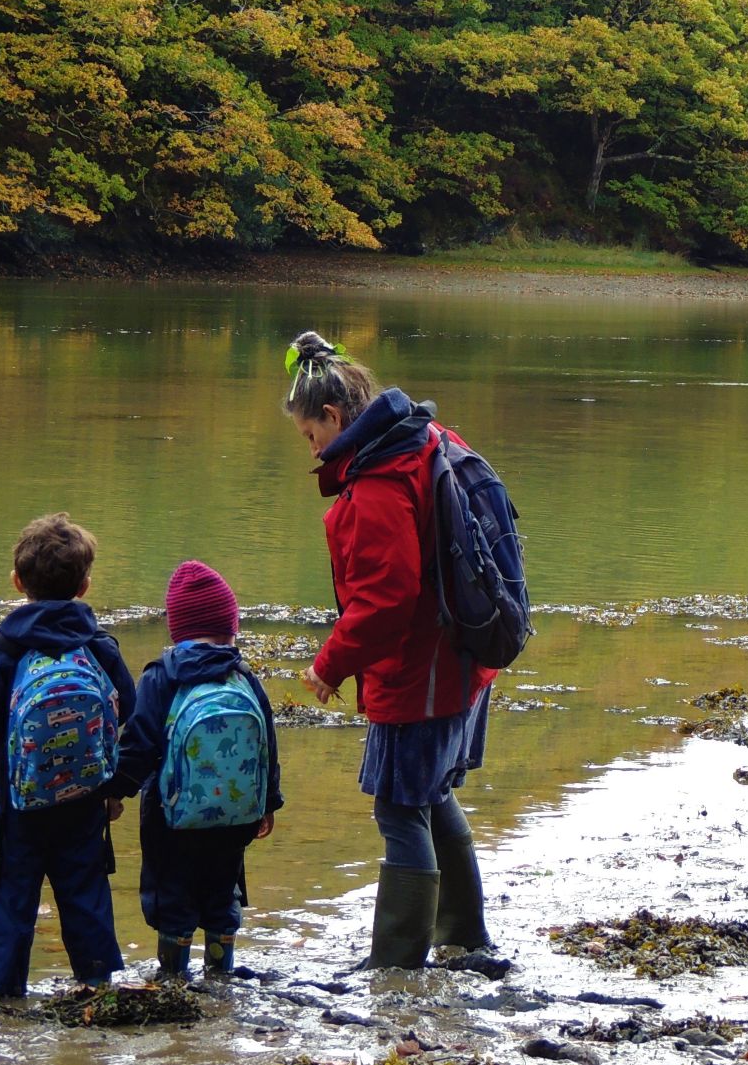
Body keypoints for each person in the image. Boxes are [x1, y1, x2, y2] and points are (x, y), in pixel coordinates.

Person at [284, 330, 496, 969]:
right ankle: (463, 936)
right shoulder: (426, 439)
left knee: (400, 805)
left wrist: (330, 664)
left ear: (333, 416)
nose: (311, 447)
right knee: (430, 793)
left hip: (419, 673)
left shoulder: (377, 480)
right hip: (465, 658)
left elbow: (386, 599)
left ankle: (399, 961)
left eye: (308, 433)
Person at [0, 513, 135, 997]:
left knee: (11, 891)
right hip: (85, 795)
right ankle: (96, 982)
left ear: (18, 582)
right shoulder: (99, 646)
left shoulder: (5, 649)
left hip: (18, 799)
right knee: (85, 888)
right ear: (85, 586)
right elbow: (129, 706)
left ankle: (1, 994)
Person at [105, 559, 282, 979]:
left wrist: (115, 791)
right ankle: (221, 976)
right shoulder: (243, 676)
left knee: (173, 898)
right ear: (230, 626)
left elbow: (140, 745)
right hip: (237, 814)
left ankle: (173, 978)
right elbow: (267, 745)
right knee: (222, 894)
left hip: (172, 818)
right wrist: (267, 802)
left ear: (176, 629)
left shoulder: (161, 676)